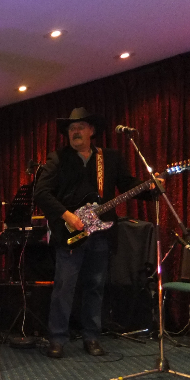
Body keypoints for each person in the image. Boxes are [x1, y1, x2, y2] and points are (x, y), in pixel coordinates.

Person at [33, 107, 153, 358]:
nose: (75, 131)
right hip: (69, 233)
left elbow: (127, 184)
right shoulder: (58, 158)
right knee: (64, 287)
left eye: (80, 127)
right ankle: (57, 338)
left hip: (101, 233)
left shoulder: (109, 158)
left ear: (92, 131)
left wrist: (150, 188)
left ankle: (92, 337)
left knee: (96, 286)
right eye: (71, 128)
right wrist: (68, 216)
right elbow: (41, 193)